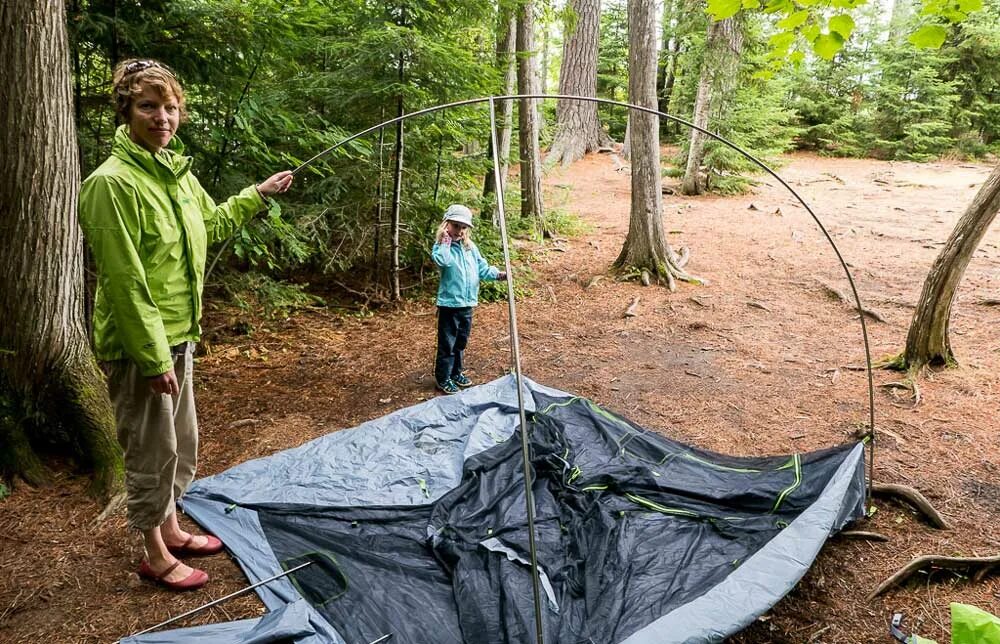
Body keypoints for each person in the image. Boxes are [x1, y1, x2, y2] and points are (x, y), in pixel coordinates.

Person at [78, 59, 293, 591]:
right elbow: (125, 282)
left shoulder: (176, 172)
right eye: (148, 105)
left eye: (170, 107)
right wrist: (151, 359)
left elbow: (210, 224)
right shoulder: (111, 184)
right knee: (150, 450)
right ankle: (154, 552)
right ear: (126, 109)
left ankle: (171, 527)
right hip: (139, 347)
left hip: (180, 334)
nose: (162, 117)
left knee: (179, 440)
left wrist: (257, 194)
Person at [430, 204, 506, 394]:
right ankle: (443, 377)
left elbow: (482, 269)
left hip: (467, 304)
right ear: (446, 225)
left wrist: (498, 275)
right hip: (449, 304)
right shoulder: (441, 247)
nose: (459, 231)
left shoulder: (470, 248)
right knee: (447, 343)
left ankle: (456, 372)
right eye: (455, 226)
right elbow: (443, 261)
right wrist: (446, 241)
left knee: (460, 342)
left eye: (463, 227)